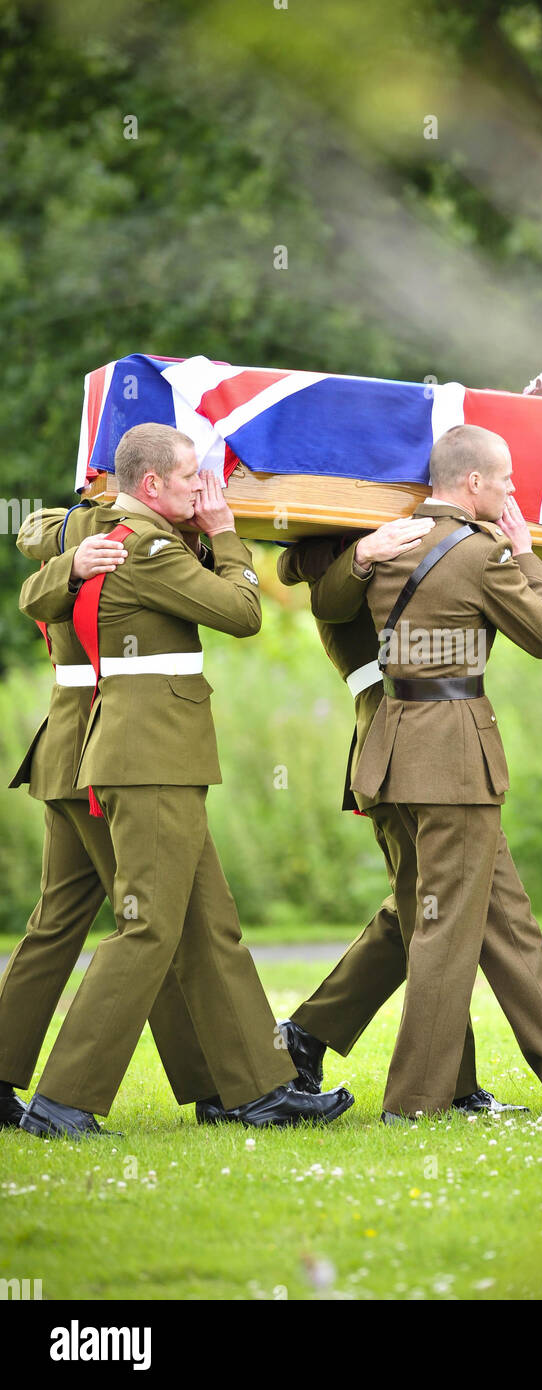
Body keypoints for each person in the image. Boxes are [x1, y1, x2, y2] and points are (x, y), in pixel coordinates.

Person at [312, 422, 542, 1120]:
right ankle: (414, 1101)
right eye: (504, 480)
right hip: (452, 762)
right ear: (472, 483)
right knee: (444, 930)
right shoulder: (481, 554)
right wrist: (528, 557)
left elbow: (327, 604)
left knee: (509, 927)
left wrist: (356, 560)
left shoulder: (387, 542)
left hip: (396, 750)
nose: (511, 492)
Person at [15, 423, 353, 1137]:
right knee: (148, 927)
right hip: (149, 756)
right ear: (148, 486)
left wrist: (71, 559)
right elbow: (242, 612)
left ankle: (253, 1088)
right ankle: (65, 1101)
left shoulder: (108, 531)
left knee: (209, 927)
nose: (205, 486)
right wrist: (227, 534)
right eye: (191, 475)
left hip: (137, 750)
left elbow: (37, 553)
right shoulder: (148, 545)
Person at [0, 505, 236, 1129]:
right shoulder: (111, 537)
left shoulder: (73, 532)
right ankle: (211, 1085)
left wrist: (70, 549)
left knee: (65, 924)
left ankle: (215, 1083)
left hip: (71, 747)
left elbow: (33, 535)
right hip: (106, 751)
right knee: (156, 921)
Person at [275, 528, 525, 1114]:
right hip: (411, 745)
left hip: (397, 743)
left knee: (425, 908)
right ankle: (322, 1040)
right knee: (432, 908)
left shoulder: (361, 560)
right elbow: (299, 562)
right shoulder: (352, 565)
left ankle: (323, 1039)